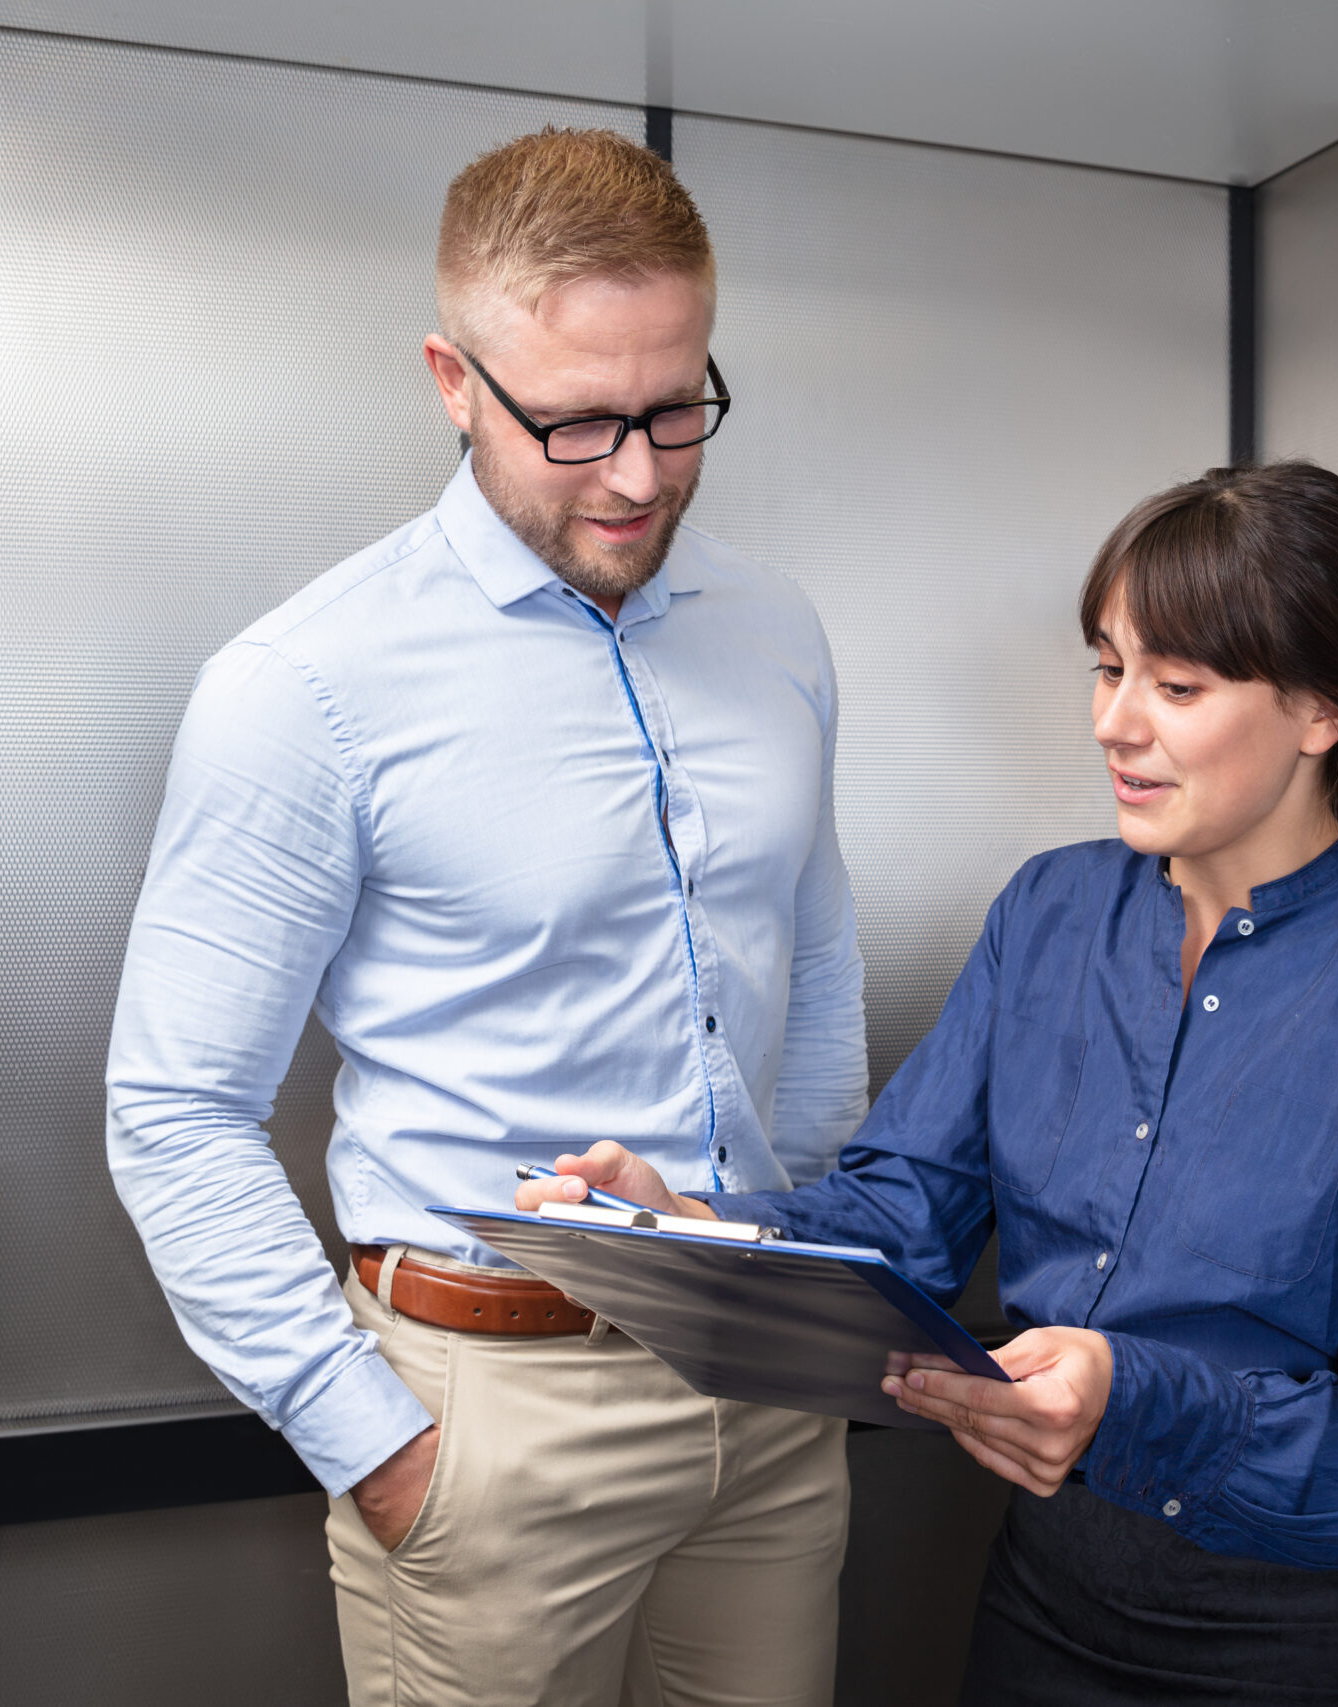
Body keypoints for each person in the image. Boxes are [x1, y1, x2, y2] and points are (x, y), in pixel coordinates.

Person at [519, 461, 1338, 1707]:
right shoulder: (1049, 914)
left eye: (1178, 685)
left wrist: (1136, 1401)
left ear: (1323, 711)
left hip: (1309, 1651)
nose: (1116, 722)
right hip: (1046, 1613)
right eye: (1110, 669)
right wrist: (698, 1228)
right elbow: (901, 1215)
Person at [107, 127, 866, 1707]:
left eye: (675, 405)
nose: (640, 472)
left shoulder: (779, 629)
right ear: (454, 381)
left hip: (768, 1395)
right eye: (578, 421)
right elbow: (176, 1109)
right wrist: (378, 1448)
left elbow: (814, 970)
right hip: (491, 1414)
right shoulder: (303, 687)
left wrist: (803, 1279)